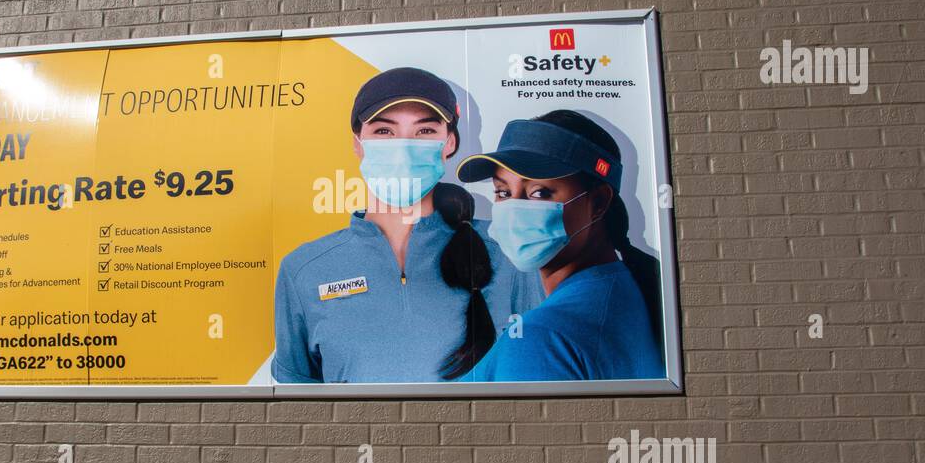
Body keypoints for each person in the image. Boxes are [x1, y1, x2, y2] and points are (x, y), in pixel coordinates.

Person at [273, 67, 542, 383]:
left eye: (424, 131)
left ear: (449, 143)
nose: (403, 147)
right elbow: (300, 407)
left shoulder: (511, 252)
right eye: (384, 132)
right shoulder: (304, 269)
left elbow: (539, 382)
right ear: (358, 144)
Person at [456, 110, 664, 382]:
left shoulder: (541, 337)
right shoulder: (627, 292)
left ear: (599, 202)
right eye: (503, 192)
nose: (515, 209)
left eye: (540, 192)